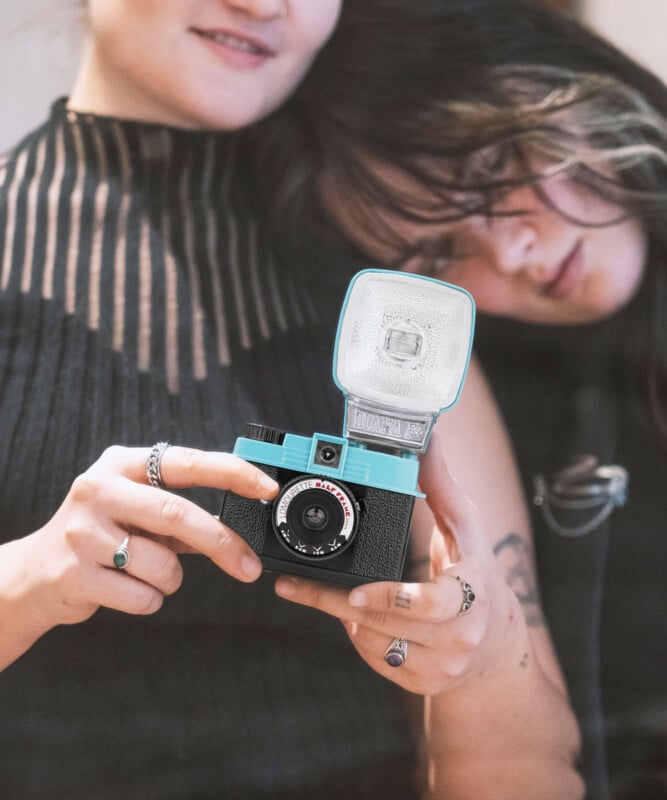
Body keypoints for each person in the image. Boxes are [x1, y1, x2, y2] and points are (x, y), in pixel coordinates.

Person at [0, 2, 589, 799]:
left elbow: (536, 777)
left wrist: (481, 659)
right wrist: (28, 580)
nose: (265, 4)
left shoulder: (399, 303)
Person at [258, 1, 667, 798]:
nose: (509, 251)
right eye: (439, 252)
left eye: (493, 170)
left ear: (557, 76)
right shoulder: (457, 391)